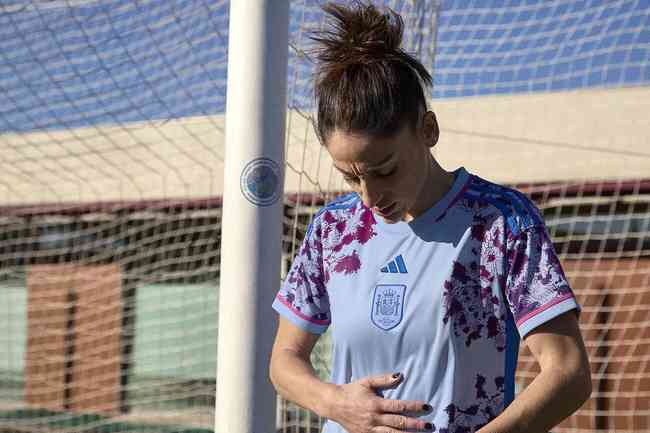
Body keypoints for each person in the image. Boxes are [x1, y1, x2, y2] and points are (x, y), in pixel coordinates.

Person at [269, 2, 592, 433]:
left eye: (384, 170)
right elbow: (283, 361)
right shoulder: (332, 229)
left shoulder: (503, 222)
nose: (368, 196)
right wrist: (337, 403)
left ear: (428, 130)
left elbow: (568, 372)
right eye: (350, 178)